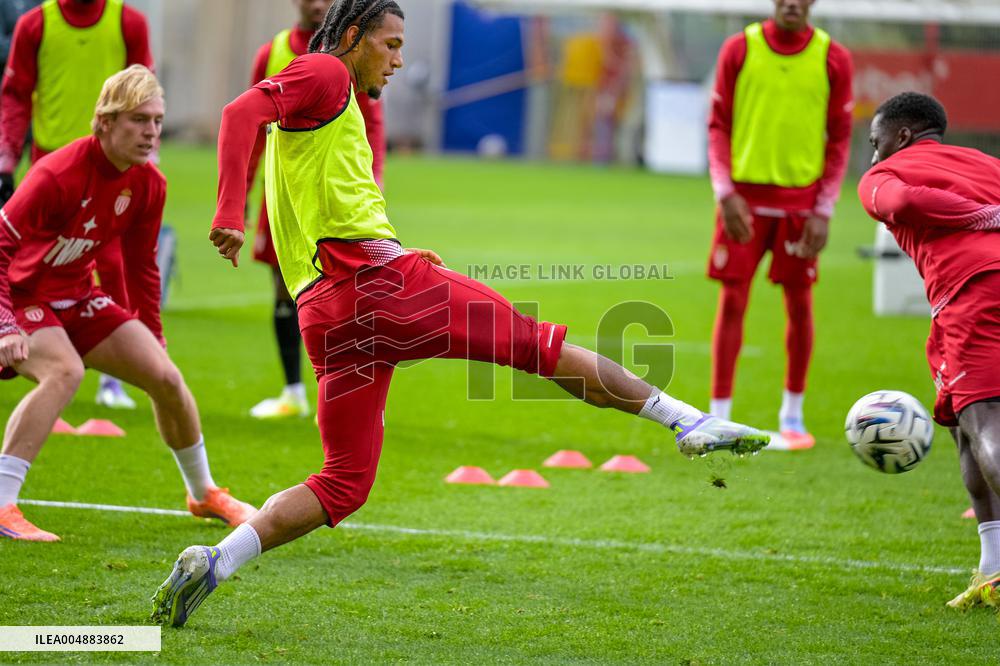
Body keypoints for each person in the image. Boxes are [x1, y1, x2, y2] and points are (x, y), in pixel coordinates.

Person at [150, 0, 770, 628]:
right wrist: (230, 212)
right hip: (379, 287)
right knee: (537, 345)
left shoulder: (332, 95)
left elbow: (330, 205)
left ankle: (217, 560)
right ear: (355, 35)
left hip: (328, 313)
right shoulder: (329, 72)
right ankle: (685, 420)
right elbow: (239, 111)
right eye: (390, 45)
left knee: (344, 484)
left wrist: (396, 249)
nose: (398, 60)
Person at [0, 65, 256, 542]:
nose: (151, 132)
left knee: (165, 377)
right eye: (139, 120)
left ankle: (203, 493)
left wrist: (154, 336)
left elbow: (142, 267)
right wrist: (4, 323)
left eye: (158, 121)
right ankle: (2, 503)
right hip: (22, 296)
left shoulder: (148, 183)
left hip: (78, 297)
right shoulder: (56, 174)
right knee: (65, 371)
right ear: (105, 122)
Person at [858, 92, 1000, 610]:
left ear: (901, 136)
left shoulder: (884, 176)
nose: (872, 156)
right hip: (959, 302)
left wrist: (982, 218)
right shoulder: (987, 162)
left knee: (984, 421)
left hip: (976, 290)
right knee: (963, 426)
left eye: (875, 143)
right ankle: (992, 569)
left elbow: (902, 205)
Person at [706, 0, 853, 449]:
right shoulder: (739, 48)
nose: (792, 2)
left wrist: (824, 209)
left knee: (800, 305)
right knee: (732, 302)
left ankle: (793, 416)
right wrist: (725, 192)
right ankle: (718, 419)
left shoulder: (833, 57)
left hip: (800, 207)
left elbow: (840, 137)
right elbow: (718, 125)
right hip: (743, 203)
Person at [0, 0, 156, 409]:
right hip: (53, 173)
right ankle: (36, 354)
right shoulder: (36, 23)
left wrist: (146, 158)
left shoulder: (128, 21)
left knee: (116, 267)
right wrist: (8, 150)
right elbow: (16, 93)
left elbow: (146, 86)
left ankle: (114, 378)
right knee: (30, 273)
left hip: (114, 168)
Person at [245, 0, 387, 420]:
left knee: (356, 293)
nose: (317, 4)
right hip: (285, 198)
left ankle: (353, 396)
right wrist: (240, 202)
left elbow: (372, 121)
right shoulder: (270, 53)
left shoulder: (352, 56)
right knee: (284, 289)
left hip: (337, 200)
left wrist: (374, 180)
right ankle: (294, 391)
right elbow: (252, 127)